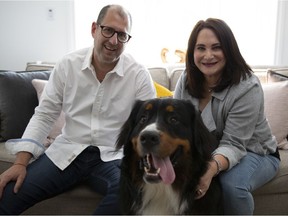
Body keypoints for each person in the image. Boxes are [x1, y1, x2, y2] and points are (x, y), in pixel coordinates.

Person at [0, 4, 156, 215]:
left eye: (122, 35)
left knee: (133, 193)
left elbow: (150, 126)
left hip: (113, 155)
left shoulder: (138, 74)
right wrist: (20, 162)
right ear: (94, 29)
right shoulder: (67, 65)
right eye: (108, 30)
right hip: (66, 151)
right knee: (9, 195)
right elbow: (45, 114)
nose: (113, 41)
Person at [173, 18, 280, 215]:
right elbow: (177, 128)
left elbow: (234, 144)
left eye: (216, 47)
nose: (208, 55)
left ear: (229, 51)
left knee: (231, 185)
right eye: (201, 48)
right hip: (211, 149)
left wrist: (210, 168)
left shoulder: (247, 87)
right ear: (192, 52)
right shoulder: (186, 79)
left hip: (253, 151)